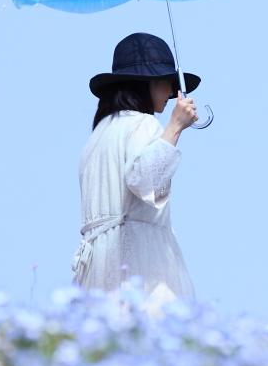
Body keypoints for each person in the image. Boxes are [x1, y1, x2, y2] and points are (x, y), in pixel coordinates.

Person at [71, 32, 200, 317]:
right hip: (140, 264)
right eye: (166, 83)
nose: (170, 93)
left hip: (97, 266)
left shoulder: (96, 138)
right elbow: (145, 181)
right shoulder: (143, 125)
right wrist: (174, 128)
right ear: (148, 83)